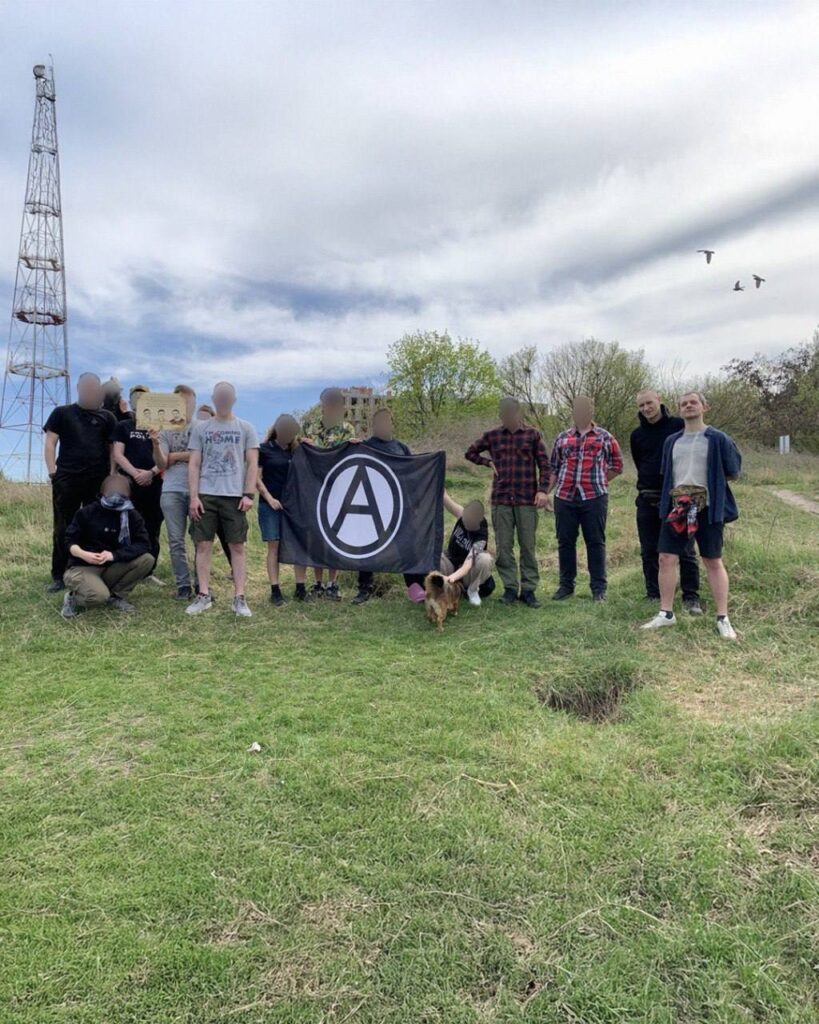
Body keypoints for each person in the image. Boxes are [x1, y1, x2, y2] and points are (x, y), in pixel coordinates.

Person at [642, 391, 741, 639]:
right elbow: (668, 474)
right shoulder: (672, 441)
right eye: (683, 403)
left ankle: (723, 618)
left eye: (693, 402)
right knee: (666, 557)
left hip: (708, 508)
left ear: (704, 407)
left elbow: (733, 471)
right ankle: (666, 613)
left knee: (712, 560)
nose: (688, 406)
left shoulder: (718, 439)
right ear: (679, 409)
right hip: (678, 508)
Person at [465, 397, 550, 608]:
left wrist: (542, 490)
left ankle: (528, 590)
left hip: (526, 500)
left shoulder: (533, 435)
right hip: (501, 500)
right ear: (501, 415)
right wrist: (487, 462)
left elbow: (545, 465)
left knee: (527, 546)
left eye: (511, 412)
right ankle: (510, 588)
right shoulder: (492, 436)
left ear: (518, 412)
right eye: (504, 413)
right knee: (504, 547)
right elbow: (470, 453)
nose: (508, 416)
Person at [186, 381, 259, 617]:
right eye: (220, 396)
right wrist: (194, 497)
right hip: (206, 495)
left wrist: (248, 494)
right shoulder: (201, 429)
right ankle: (203, 595)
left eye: (227, 395)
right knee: (203, 544)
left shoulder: (246, 428)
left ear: (234, 399)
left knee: (237, 546)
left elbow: (252, 463)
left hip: (234, 497)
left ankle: (239, 598)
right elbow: (194, 464)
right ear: (214, 399)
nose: (224, 399)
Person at [43, 372, 116, 591]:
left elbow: (113, 449)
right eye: (86, 387)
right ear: (79, 388)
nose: (90, 391)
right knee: (63, 528)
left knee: (95, 527)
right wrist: (53, 473)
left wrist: (112, 475)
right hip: (67, 479)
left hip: (98, 481)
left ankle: (89, 572)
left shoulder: (107, 417)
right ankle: (59, 575)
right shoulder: (62, 413)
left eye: (94, 388)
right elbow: (50, 443)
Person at [630, 389, 702, 613]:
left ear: (659, 400)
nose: (646, 408)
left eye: (649, 403)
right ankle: (654, 593)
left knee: (686, 549)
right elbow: (639, 463)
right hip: (647, 497)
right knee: (649, 550)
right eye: (641, 405)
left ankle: (691, 597)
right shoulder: (636, 435)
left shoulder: (678, 426)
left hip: (677, 498)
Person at [546, 396, 623, 602]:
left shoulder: (605, 437)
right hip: (564, 497)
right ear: (573, 411)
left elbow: (617, 465)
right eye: (577, 408)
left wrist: (600, 481)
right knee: (565, 542)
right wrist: (544, 492)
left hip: (594, 497)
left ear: (591, 411)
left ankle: (598, 589)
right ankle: (566, 586)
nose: (580, 411)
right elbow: (554, 468)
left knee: (595, 542)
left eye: (585, 408)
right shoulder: (562, 438)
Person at [351, 407, 426, 604]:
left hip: (398, 506)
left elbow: (411, 474)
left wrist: (414, 502)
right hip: (373, 506)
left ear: (392, 424)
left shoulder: (401, 448)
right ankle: (364, 588)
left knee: (406, 545)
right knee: (368, 548)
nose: (384, 426)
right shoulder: (365, 446)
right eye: (380, 422)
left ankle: (415, 587)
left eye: (387, 421)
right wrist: (349, 446)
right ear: (374, 426)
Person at [60, 474, 154, 618]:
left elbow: (144, 544)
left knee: (147, 559)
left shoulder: (132, 515)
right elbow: (68, 541)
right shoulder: (86, 513)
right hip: (83, 566)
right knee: (97, 598)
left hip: (112, 565)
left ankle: (116, 595)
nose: (116, 499)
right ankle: (73, 597)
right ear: (102, 493)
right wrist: (83, 554)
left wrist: (114, 556)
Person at [301, 387, 360, 600]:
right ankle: (317, 583)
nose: (332, 406)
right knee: (316, 535)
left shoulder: (347, 429)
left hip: (338, 489)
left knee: (335, 535)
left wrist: (353, 447)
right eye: (328, 402)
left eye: (336, 403)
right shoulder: (309, 426)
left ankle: (333, 583)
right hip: (315, 487)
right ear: (323, 404)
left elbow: (348, 457)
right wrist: (304, 444)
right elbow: (301, 452)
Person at [257, 413, 312, 605]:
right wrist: (270, 498)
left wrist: (311, 445)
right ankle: (275, 591)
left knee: (298, 544)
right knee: (274, 546)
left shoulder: (297, 450)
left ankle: (300, 588)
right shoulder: (264, 449)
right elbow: (256, 478)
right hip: (270, 505)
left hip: (294, 507)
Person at [112, 386, 164, 574]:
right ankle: (125, 568)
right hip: (129, 484)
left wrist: (151, 473)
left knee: (152, 527)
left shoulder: (160, 426)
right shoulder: (123, 426)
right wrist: (136, 474)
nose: (140, 401)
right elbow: (118, 454)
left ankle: (148, 571)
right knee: (126, 525)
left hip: (155, 484)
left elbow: (167, 455)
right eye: (136, 397)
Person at [156, 384, 198, 599]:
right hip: (171, 490)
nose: (184, 405)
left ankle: (201, 584)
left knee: (200, 539)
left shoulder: (202, 427)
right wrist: (155, 445)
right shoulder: (164, 430)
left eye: (188, 402)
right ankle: (183, 585)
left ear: (194, 403)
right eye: (180, 402)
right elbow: (161, 463)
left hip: (198, 490)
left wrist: (174, 456)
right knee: (175, 540)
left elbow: (204, 456)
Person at [441, 493, 496, 606]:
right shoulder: (461, 513)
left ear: (479, 520)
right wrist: (435, 482)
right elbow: (446, 500)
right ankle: (444, 589)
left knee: (485, 559)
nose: (467, 522)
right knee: (435, 554)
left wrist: (451, 578)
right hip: (451, 563)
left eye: (471, 521)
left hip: (468, 574)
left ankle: (472, 590)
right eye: (466, 519)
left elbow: (467, 565)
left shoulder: (481, 535)